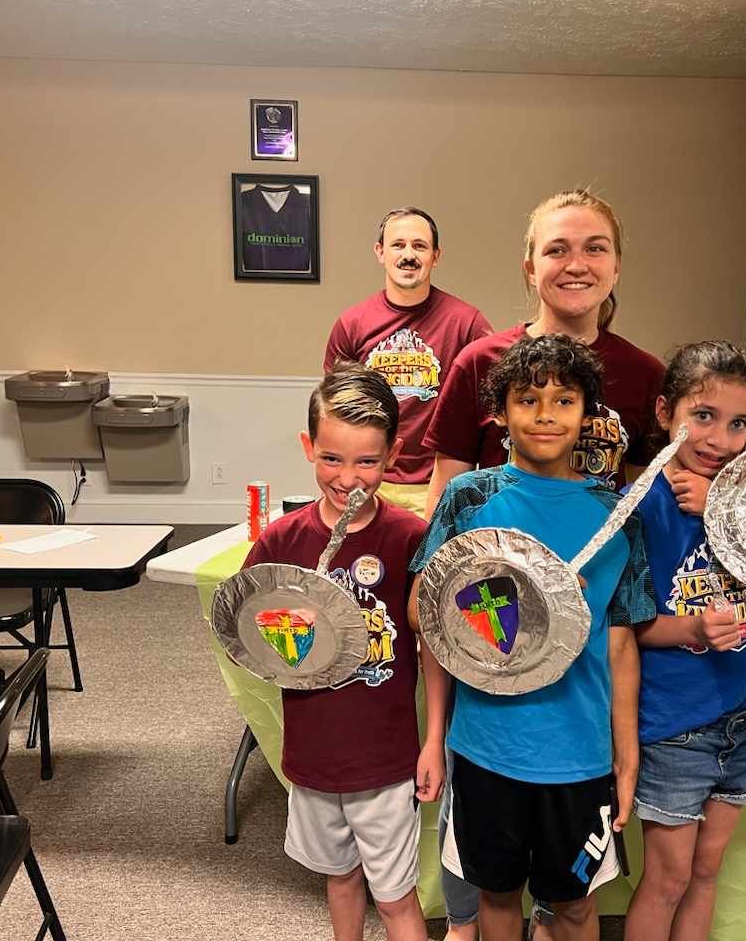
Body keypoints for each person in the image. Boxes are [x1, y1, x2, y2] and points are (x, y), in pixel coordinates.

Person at [410, 334, 653, 941]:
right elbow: (422, 611)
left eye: (564, 400)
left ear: (588, 413)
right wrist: (496, 611)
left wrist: (626, 757)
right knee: (497, 896)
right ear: (500, 412)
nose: (545, 415)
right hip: (488, 745)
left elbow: (622, 642)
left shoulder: (616, 513)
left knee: (571, 905)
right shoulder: (471, 499)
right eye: (527, 399)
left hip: (579, 753)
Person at [239, 364, 449, 941]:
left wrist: (432, 741)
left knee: (398, 898)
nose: (348, 477)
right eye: (332, 458)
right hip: (314, 755)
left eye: (367, 461)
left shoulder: (408, 537)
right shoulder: (282, 541)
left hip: (385, 759)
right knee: (339, 879)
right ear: (309, 447)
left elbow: (431, 646)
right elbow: (249, 634)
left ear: (393, 455)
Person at [623, 341, 746, 941]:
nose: (719, 439)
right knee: (667, 879)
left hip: (745, 719)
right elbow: (628, 626)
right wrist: (690, 628)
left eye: (739, 423)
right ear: (666, 412)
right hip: (677, 727)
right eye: (703, 416)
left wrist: (726, 511)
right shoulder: (644, 508)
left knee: (707, 872)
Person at [423, 189, 665, 519]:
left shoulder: (645, 374)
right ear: (531, 270)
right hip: (499, 560)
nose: (577, 265)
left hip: (601, 564)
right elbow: (444, 500)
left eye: (595, 249)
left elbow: (643, 502)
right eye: (557, 250)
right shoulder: (479, 362)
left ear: (616, 267)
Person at [325, 207, 493, 516]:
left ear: (436, 255)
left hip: (441, 482)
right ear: (380, 252)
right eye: (398, 245)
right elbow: (335, 414)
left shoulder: (467, 323)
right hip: (369, 479)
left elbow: (491, 410)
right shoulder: (352, 324)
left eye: (420, 246)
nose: (408, 254)